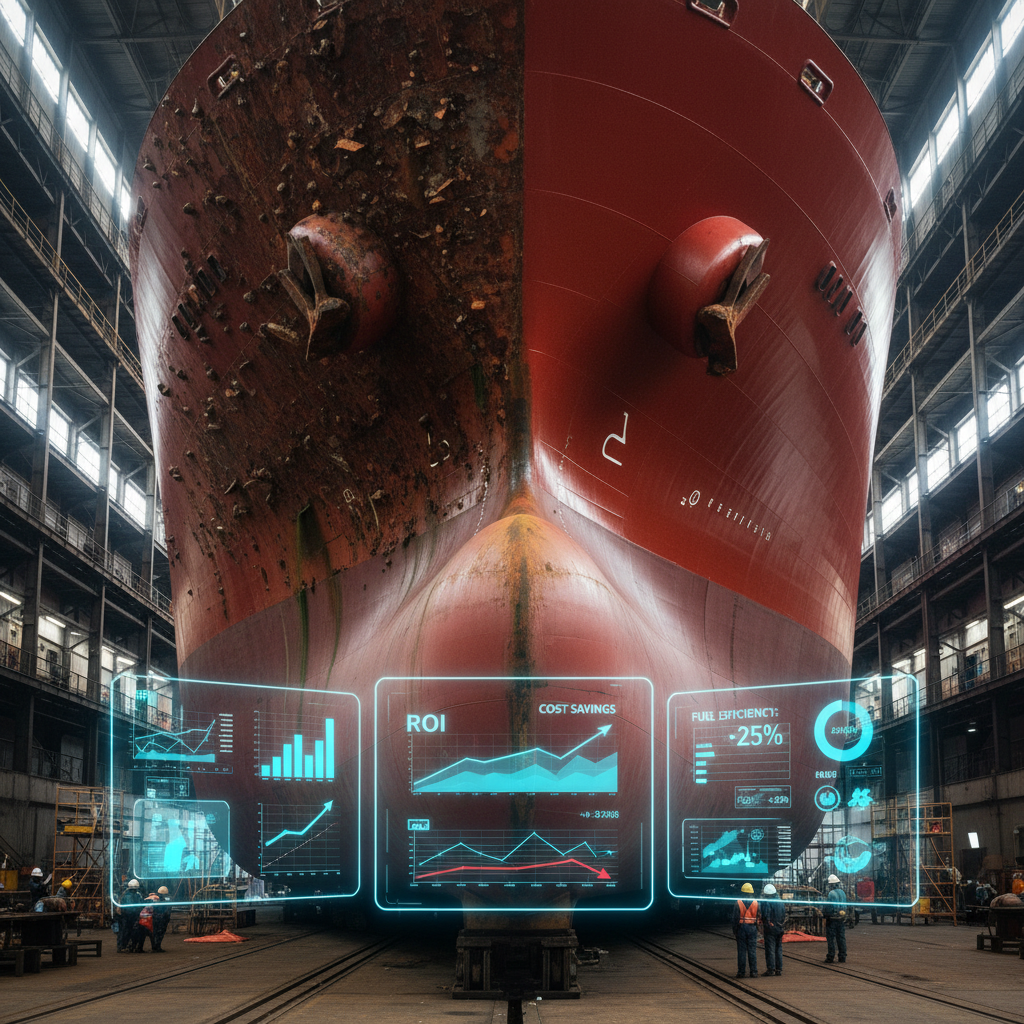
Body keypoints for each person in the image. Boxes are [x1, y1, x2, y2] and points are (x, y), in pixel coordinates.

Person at [732, 882, 759, 978]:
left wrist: (735, 930)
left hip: (741, 928)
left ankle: (741, 972)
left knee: (742, 951)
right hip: (752, 928)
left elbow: (735, 918)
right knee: (752, 951)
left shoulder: (738, 902)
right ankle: (754, 972)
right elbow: (759, 917)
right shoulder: (756, 903)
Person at [760, 883, 786, 976]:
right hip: (780, 927)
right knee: (778, 948)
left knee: (770, 949)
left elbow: (766, 915)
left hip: (771, 928)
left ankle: (771, 969)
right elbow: (784, 914)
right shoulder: (780, 902)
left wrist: (766, 923)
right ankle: (779, 969)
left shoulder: (767, 902)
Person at [823, 873, 848, 964]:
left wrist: (825, 915)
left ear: (831, 885)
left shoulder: (831, 894)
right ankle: (842, 956)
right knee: (841, 938)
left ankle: (830, 956)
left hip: (832, 919)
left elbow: (829, 907)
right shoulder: (842, 893)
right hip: (841, 919)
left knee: (831, 938)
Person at [119, 878, 143, 952]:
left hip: (126, 916)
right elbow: (140, 905)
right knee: (131, 932)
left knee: (126, 932)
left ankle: (124, 946)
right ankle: (129, 946)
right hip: (131, 916)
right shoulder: (137, 895)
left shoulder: (125, 895)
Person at [151, 886, 172, 952]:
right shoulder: (167, 899)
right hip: (162, 918)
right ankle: (157, 946)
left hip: (156, 918)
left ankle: (155, 946)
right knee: (160, 933)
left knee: (155, 933)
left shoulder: (155, 898)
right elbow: (168, 909)